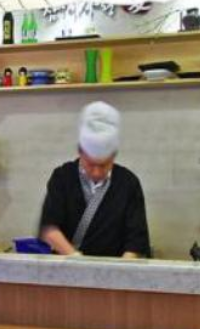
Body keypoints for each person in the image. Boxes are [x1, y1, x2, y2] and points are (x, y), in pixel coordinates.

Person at [39, 101, 151, 258]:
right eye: (90, 164)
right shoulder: (62, 177)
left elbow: (136, 241)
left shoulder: (128, 182)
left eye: (104, 165)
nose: (97, 172)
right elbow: (49, 228)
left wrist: (122, 267)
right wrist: (75, 258)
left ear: (113, 156)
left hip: (114, 266)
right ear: (80, 152)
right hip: (68, 263)